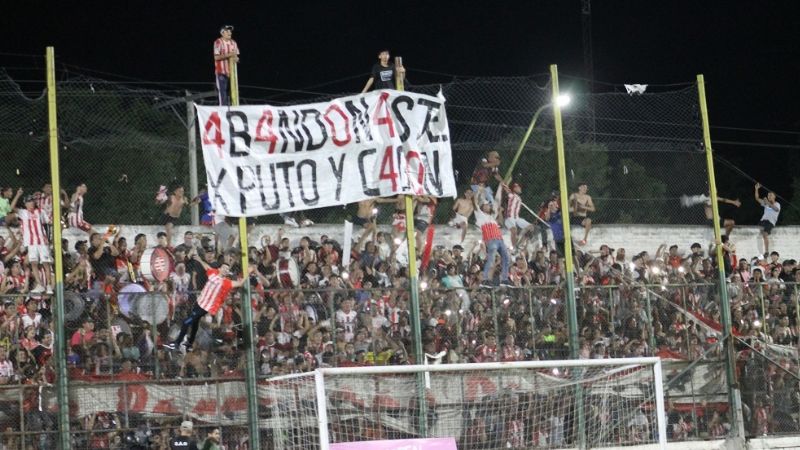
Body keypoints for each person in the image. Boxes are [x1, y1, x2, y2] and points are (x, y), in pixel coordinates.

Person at [164, 256, 248, 352]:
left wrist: (248, 272)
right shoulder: (213, 273)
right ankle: (188, 343)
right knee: (194, 324)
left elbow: (240, 283)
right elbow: (206, 266)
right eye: (224, 268)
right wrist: (200, 259)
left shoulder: (226, 282)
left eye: (228, 269)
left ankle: (177, 343)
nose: (226, 270)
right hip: (198, 303)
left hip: (205, 307)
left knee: (186, 322)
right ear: (219, 269)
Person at [473, 187, 511, 287]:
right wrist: (478, 192)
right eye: (486, 205)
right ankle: (485, 278)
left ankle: (504, 279)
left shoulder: (492, 218)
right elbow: (475, 202)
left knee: (506, 258)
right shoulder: (479, 215)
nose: (489, 206)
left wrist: (500, 212)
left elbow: (501, 224)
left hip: (499, 239)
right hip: (491, 239)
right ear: (482, 207)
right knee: (491, 258)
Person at [14, 194, 52, 293]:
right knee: (33, 264)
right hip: (31, 243)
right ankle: (40, 284)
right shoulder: (23, 213)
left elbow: (47, 223)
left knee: (45, 263)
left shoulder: (40, 211)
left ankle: (48, 285)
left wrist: (48, 238)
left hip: (42, 242)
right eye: (28, 202)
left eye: (32, 201)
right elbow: (12, 207)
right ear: (25, 204)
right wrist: (18, 195)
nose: (30, 204)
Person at [213, 25, 240, 106]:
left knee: (234, 92)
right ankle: (223, 110)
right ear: (222, 33)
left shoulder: (234, 43)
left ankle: (234, 109)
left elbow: (236, 57)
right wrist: (229, 55)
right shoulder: (218, 42)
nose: (230, 32)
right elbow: (216, 57)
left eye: (230, 31)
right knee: (222, 92)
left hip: (232, 72)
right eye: (227, 31)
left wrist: (237, 59)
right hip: (221, 72)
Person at [754, 183, 780, 255]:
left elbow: (776, 209)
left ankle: (766, 251)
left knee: (765, 234)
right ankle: (758, 251)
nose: (769, 196)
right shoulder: (766, 203)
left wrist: (768, 203)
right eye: (768, 195)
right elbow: (757, 198)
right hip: (763, 221)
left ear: (774, 197)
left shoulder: (777, 204)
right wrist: (756, 189)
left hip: (770, 222)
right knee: (757, 232)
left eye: (771, 195)